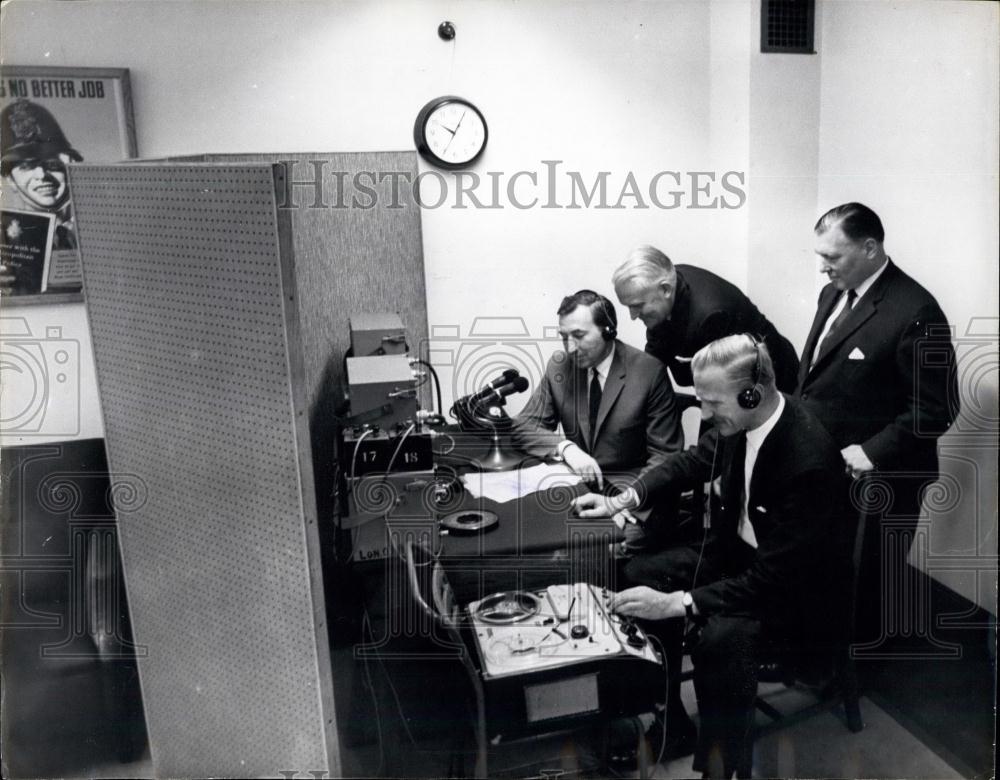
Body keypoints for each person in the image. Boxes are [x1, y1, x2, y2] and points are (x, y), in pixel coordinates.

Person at [572, 335, 848, 778]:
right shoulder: (739, 423)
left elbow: (774, 580)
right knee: (637, 574)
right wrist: (623, 499)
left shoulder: (807, 459)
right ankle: (671, 722)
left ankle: (721, 769)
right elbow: (692, 462)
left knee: (720, 642)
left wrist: (680, 602)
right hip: (740, 559)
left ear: (752, 393)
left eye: (711, 402)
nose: (703, 413)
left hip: (793, 595)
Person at [795, 202, 959, 644]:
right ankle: (822, 658)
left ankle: (855, 678)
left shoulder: (916, 310)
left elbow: (937, 408)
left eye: (833, 257)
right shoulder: (833, 293)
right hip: (830, 465)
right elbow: (817, 375)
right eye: (821, 257)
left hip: (883, 476)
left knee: (866, 583)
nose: (823, 268)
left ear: (870, 248)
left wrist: (872, 451)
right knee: (827, 571)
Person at [512, 289, 684, 550]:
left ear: (609, 331)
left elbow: (665, 457)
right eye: (564, 337)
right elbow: (524, 425)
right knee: (533, 540)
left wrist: (621, 502)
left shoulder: (649, 372)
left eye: (579, 336)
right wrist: (567, 449)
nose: (569, 348)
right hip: (580, 493)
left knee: (593, 551)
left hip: (636, 500)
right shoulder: (561, 366)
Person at [612, 245, 800, 393]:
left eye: (637, 306)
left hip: (773, 377)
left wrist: (669, 368)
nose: (633, 316)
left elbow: (713, 383)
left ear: (666, 290)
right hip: (730, 375)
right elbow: (656, 350)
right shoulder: (666, 280)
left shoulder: (709, 316)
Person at [1, 99, 83, 251]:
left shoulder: (101, 229)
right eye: (26, 166)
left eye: (51, 163)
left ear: (69, 163)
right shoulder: (7, 245)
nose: (41, 174)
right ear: (10, 179)